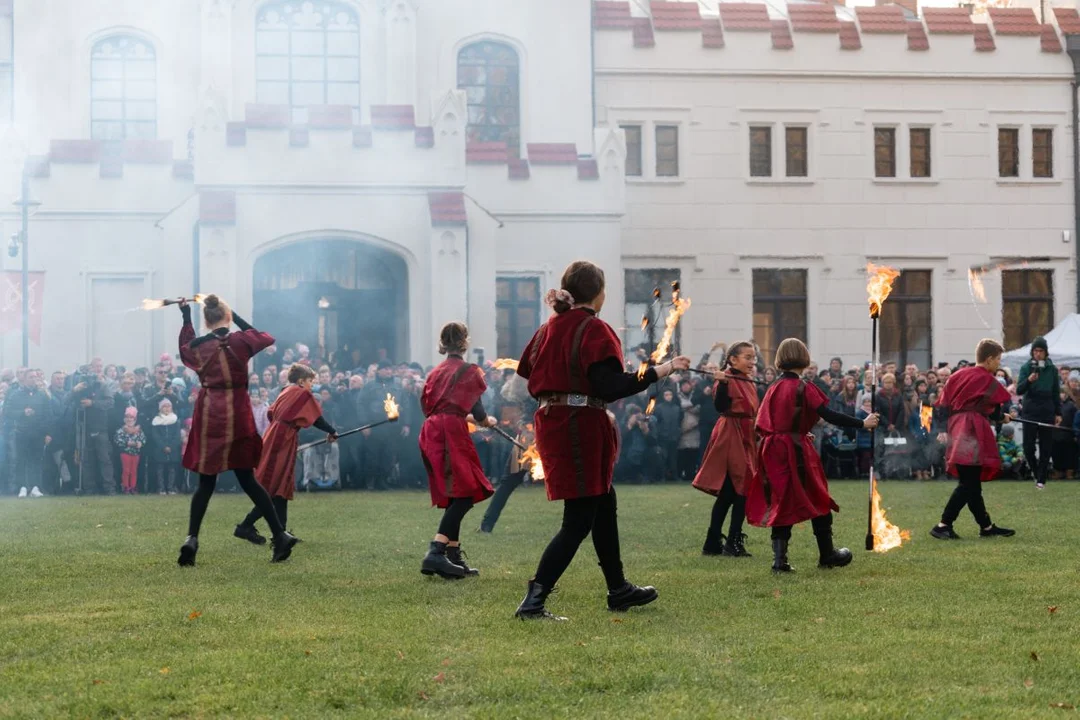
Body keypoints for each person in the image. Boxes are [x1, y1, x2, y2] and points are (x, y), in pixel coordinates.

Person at [513, 260, 691, 620]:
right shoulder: (593, 329)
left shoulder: (549, 328)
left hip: (558, 421)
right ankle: (533, 601)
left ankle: (618, 588)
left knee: (603, 501)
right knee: (578, 519)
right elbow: (611, 386)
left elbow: (528, 374)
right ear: (598, 293)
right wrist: (663, 369)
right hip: (579, 426)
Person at [176, 295, 298, 566]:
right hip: (238, 412)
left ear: (206, 320)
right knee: (248, 480)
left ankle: (191, 539)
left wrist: (185, 315)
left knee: (205, 483)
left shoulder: (199, 346)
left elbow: (185, 348)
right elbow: (264, 337)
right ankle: (279, 534)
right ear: (227, 317)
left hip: (210, 413)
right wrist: (236, 318)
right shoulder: (242, 341)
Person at [745, 338, 880, 573]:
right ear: (803, 358)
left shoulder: (773, 387)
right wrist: (862, 422)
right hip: (793, 450)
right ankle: (827, 554)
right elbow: (828, 414)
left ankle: (780, 561)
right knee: (817, 497)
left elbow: (769, 421)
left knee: (782, 499)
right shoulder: (803, 387)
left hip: (772, 449)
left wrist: (797, 431)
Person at [418, 322, 495, 579]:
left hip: (432, 430)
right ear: (465, 342)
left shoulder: (435, 372)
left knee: (455, 493)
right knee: (465, 492)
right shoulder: (469, 371)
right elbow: (480, 413)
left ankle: (452, 556)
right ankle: (436, 551)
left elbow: (433, 406)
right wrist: (486, 422)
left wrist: (464, 417)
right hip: (449, 432)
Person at [235, 364, 337, 543]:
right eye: (309, 381)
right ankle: (245, 526)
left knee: (281, 487)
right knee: (273, 487)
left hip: (277, 436)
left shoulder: (285, 391)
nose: (311, 385)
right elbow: (316, 418)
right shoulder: (301, 393)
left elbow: (270, 413)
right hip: (281, 440)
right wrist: (331, 431)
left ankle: (280, 534)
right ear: (300, 381)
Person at [930, 339, 1017, 540]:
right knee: (969, 482)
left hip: (957, 427)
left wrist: (944, 429)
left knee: (971, 481)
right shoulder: (986, 378)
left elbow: (943, 404)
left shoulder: (957, 375)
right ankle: (943, 525)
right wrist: (1001, 417)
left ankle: (986, 527)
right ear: (988, 359)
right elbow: (994, 407)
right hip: (972, 429)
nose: (998, 364)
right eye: (997, 359)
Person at [691, 342, 759, 558]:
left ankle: (713, 542)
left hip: (745, 435)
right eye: (747, 357)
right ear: (733, 359)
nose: (752, 361)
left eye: (753, 357)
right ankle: (732, 541)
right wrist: (721, 384)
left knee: (730, 492)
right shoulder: (726, 378)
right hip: (731, 435)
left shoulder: (747, 380)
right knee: (742, 488)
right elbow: (720, 406)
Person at [1016, 336, 1062, 489]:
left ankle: (1042, 478)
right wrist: (1029, 380)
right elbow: (1019, 390)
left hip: (1047, 409)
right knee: (1028, 447)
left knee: (1045, 446)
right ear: (1032, 352)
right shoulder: (1026, 367)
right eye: (1035, 351)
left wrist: (1058, 413)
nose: (1038, 354)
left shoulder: (1052, 369)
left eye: (1041, 351)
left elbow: (1056, 392)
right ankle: (1036, 472)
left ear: (1046, 352)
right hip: (1030, 409)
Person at [148, 398, 182, 494]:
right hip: (159, 449)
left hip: (173, 449)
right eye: (164, 406)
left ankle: (171, 488)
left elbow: (177, 435)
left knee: (172, 469)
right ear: (160, 408)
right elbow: (155, 436)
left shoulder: (176, 420)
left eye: (169, 406)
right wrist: (163, 446)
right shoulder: (156, 421)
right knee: (160, 469)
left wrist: (171, 446)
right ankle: (161, 488)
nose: (167, 408)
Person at [114, 407, 145, 495]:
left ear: (135, 419)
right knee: (126, 470)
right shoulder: (121, 430)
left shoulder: (139, 431)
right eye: (127, 417)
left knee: (134, 470)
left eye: (131, 417)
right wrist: (127, 443)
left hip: (135, 453)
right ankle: (125, 487)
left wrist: (140, 443)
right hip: (125, 453)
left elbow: (143, 439)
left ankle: (133, 487)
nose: (129, 419)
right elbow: (117, 440)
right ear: (124, 419)